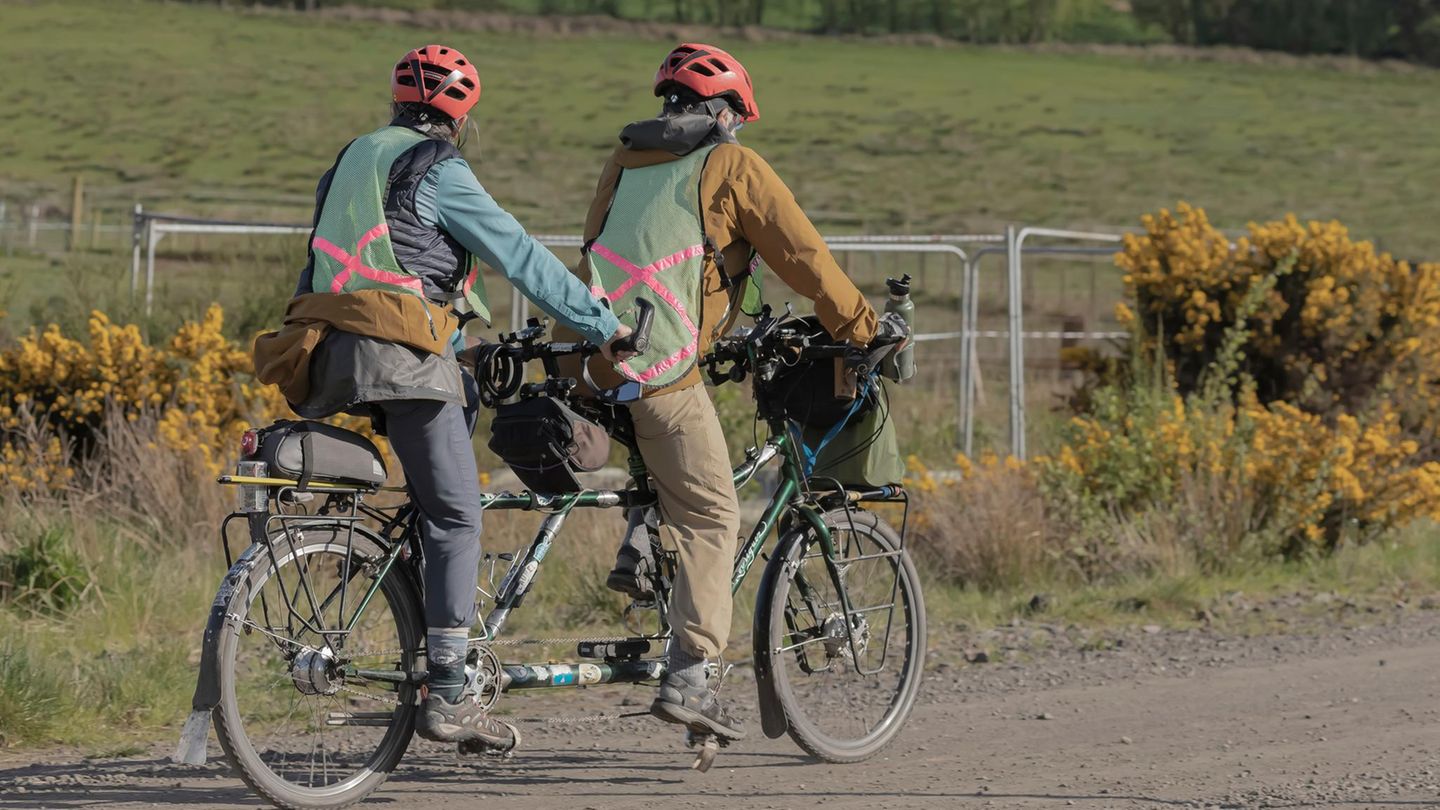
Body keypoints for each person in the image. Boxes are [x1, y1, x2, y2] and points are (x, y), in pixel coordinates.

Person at [253, 44, 632, 749]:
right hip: (401, 357)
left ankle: (423, 630)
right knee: (458, 514)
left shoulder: (351, 159)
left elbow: (365, 261)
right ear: (461, 115)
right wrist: (605, 328)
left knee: (433, 493)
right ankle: (450, 691)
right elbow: (517, 255)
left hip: (331, 354)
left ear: (398, 101)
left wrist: (463, 349)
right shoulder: (438, 167)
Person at [565, 43, 898, 740]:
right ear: (723, 114)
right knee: (715, 514)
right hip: (662, 371)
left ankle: (638, 543)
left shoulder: (622, 161)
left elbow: (592, 251)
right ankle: (690, 678)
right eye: (738, 119)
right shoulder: (730, 164)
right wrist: (864, 329)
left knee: (669, 471)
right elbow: (803, 258)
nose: (738, 131)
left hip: (597, 365)